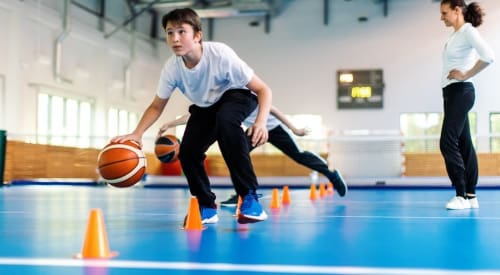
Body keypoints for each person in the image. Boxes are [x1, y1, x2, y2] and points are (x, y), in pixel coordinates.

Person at [112, 8, 273, 224]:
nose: (175, 38)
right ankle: (206, 205)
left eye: (182, 32)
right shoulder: (172, 69)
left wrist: (261, 122)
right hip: (206, 106)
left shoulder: (220, 54)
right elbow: (156, 106)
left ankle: (250, 197)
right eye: (170, 33)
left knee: (227, 122)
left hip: (238, 95)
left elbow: (263, 89)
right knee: (187, 152)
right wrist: (137, 134)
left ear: (197, 35)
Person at [158, 105, 348, 207]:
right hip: (254, 130)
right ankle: (246, 193)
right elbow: (196, 116)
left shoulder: (246, 93)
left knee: (298, 156)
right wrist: (170, 123)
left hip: (272, 127)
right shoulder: (221, 100)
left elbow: (273, 109)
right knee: (236, 153)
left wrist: (295, 129)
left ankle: (332, 175)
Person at [439, 0, 494, 210]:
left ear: (457, 10)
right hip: (452, 94)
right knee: (464, 145)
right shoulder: (455, 34)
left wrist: (466, 75)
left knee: (447, 142)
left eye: (444, 13)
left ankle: (460, 194)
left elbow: (489, 56)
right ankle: (471, 196)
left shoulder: (467, 31)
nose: (441, 17)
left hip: (461, 92)